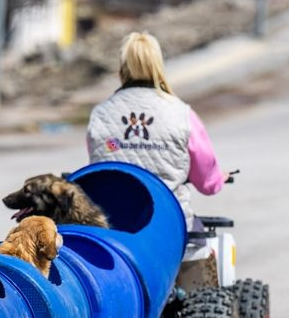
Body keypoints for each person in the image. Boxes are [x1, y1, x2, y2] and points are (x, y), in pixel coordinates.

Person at [85, 31, 227, 230]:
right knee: (205, 243)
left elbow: (97, 165)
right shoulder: (181, 114)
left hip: (114, 227)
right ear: (159, 67)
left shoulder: (100, 114)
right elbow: (207, 184)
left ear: (122, 70)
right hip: (169, 229)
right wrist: (218, 179)